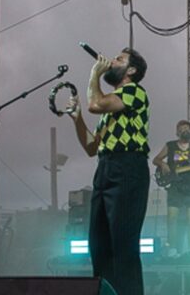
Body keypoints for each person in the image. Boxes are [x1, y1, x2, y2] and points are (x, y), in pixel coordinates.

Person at [64, 48, 150, 295]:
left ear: (131, 70)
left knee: (123, 248)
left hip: (128, 168)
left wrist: (94, 72)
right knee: (99, 246)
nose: (112, 62)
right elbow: (92, 147)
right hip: (105, 168)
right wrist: (77, 119)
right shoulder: (112, 107)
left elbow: (95, 103)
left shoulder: (134, 91)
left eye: (119, 60)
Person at [152, 120, 190, 256]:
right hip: (175, 186)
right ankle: (173, 249)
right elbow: (156, 159)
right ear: (177, 132)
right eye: (182, 128)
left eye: (188, 128)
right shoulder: (170, 146)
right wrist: (163, 165)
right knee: (172, 217)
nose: (185, 130)